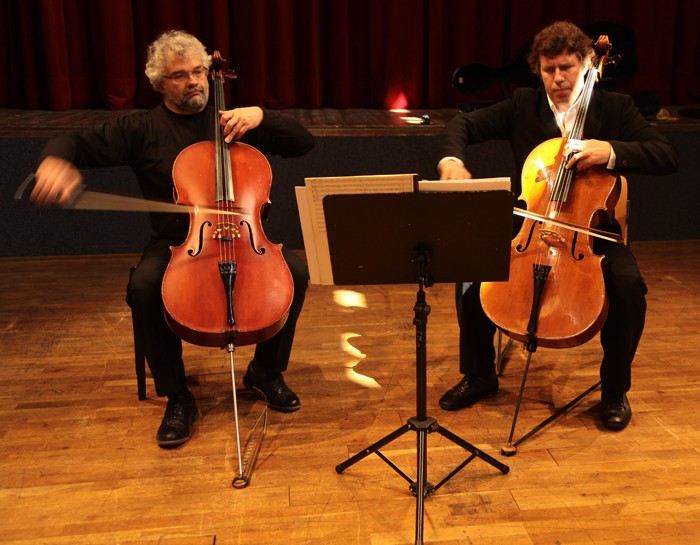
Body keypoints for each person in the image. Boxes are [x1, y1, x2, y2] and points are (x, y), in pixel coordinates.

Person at [30, 30, 315, 447]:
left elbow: (304, 142)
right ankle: (178, 396)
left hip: (244, 238)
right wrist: (53, 161)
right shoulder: (141, 128)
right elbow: (72, 142)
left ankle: (265, 372)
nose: (194, 81)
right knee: (144, 288)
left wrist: (261, 115)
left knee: (296, 274)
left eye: (198, 71)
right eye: (180, 75)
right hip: (175, 243)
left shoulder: (231, 124)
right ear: (159, 83)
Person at [437, 21, 678, 430]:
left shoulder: (615, 108)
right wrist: (451, 161)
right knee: (472, 271)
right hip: (531, 228)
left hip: (591, 236)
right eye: (548, 70)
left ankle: (614, 389)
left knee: (628, 286)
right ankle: (479, 374)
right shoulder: (523, 105)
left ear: (586, 64)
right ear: (539, 70)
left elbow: (666, 154)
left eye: (566, 67)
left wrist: (610, 150)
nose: (558, 79)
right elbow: (462, 125)